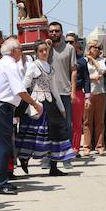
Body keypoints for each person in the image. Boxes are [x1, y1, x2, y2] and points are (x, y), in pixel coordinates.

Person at [0, 38, 43, 194]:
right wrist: (35, 103)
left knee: (2, 145)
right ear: (14, 51)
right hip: (1, 107)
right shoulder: (10, 65)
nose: (22, 52)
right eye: (20, 48)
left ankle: (1, 179)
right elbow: (19, 90)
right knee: (2, 147)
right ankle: (0, 183)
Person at [16, 40, 75, 176]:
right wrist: (22, 101)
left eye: (46, 50)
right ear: (36, 53)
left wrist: (61, 108)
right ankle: (24, 158)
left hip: (50, 103)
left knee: (56, 133)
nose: (44, 52)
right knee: (34, 134)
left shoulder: (50, 67)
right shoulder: (33, 66)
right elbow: (25, 83)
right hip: (36, 103)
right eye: (41, 50)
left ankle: (53, 167)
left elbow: (54, 89)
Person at [48, 21, 77, 167]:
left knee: (66, 125)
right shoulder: (45, 49)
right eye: (51, 31)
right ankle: (50, 157)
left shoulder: (69, 48)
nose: (54, 33)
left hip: (64, 91)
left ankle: (67, 158)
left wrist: (73, 91)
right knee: (49, 126)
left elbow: (73, 70)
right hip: (48, 93)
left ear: (61, 32)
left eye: (56, 31)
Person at [82, 40, 106, 155]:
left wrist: (93, 60)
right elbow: (82, 76)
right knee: (87, 121)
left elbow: (102, 70)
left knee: (99, 121)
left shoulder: (102, 60)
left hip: (100, 92)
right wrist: (92, 78)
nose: (95, 49)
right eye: (93, 47)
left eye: (97, 47)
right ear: (89, 48)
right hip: (88, 94)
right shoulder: (84, 61)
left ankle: (100, 145)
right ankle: (87, 146)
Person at [69, 33, 90, 154]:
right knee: (66, 123)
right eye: (66, 42)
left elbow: (87, 79)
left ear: (76, 43)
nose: (69, 44)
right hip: (64, 93)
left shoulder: (81, 61)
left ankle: (75, 149)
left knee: (77, 123)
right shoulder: (62, 58)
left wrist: (87, 97)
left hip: (78, 94)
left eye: (71, 42)